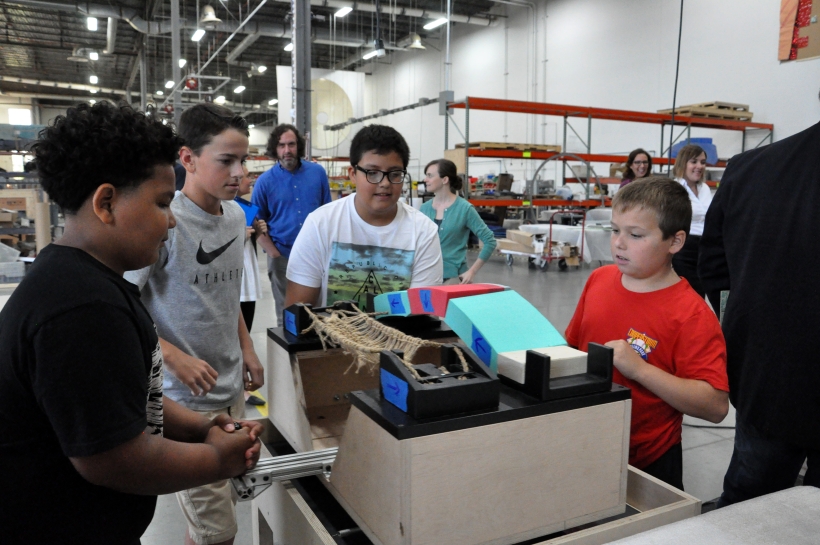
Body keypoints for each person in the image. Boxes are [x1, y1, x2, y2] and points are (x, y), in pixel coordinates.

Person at [0, 102, 262, 545]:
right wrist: (217, 460)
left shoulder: (89, 282)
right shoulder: (81, 311)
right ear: (106, 203)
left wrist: (199, 427)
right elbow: (114, 459)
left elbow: (127, 401)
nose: (172, 220)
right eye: (162, 203)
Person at [125, 102, 265, 545]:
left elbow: (228, 294)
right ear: (188, 158)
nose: (239, 172)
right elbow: (124, 305)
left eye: (243, 160)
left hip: (229, 389)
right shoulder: (165, 222)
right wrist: (172, 356)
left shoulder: (236, 217)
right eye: (227, 160)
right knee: (218, 531)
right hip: (184, 403)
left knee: (213, 521)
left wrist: (246, 347)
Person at [565, 176, 729, 490]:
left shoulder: (691, 315)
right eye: (615, 230)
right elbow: (572, 347)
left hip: (649, 460)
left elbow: (715, 406)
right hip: (587, 442)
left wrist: (640, 370)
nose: (619, 243)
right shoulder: (599, 279)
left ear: (675, 242)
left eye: (635, 235)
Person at [699, 116, 820, 508]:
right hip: (769, 375)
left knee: (748, 505)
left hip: (764, 374)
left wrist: (745, 321)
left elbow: (713, 266)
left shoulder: (751, 167)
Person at [285, 124, 443, 308]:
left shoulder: (423, 232)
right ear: (353, 174)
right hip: (329, 328)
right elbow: (297, 312)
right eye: (372, 173)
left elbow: (422, 313)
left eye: (395, 174)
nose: (385, 183)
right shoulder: (321, 224)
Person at [252, 124, 331, 321]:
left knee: (320, 311)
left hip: (316, 255)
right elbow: (254, 220)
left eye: (291, 144)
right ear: (275, 149)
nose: (287, 150)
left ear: (299, 146)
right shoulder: (264, 182)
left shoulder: (317, 173)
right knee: (286, 314)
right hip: (282, 256)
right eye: (281, 145)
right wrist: (273, 252)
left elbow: (328, 213)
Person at [421, 158, 497, 283]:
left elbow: (490, 241)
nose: (425, 180)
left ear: (445, 180)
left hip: (454, 278)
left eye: (430, 175)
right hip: (427, 276)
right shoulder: (424, 208)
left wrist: (472, 271)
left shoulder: (464, 208)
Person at [671, 144, 709, 298]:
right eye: (694, 161)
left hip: (705, 247)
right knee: (690, 293)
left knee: (701, 293)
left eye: (703, 162)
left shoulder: (704, 188)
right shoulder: (675, 188)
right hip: (684, 247)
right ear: (683, 163)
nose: (699, 166)